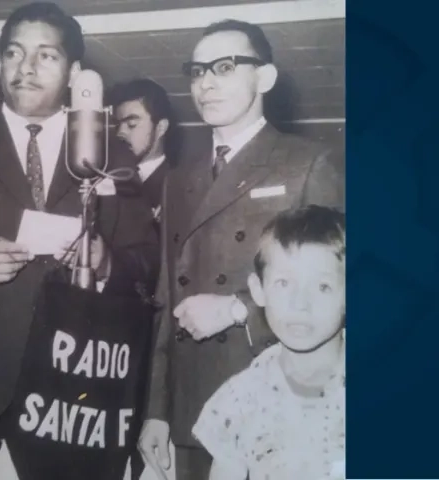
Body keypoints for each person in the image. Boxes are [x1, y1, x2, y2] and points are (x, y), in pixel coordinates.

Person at [0, 3, 158, 479]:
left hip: (73, 395)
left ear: (74, 72)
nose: (25, 68)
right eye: (13, 53)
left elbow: (149, 262)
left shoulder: (110, 152)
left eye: (46, 55)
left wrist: (107, 264)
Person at [138, 19, 345, 480]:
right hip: (192, 402)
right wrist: (157, 409)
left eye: (225, 67)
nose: (205, 83)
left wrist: (238, 310)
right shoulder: (178, 178)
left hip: (277, 396)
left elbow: (345, 284)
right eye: (197, 71)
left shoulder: (307, 163)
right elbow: (166, 301)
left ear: (265, 78)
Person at [191, 205, 346, 480]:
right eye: (284, 284)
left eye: (323, 286)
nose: (300, 304)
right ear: (258, 291)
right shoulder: (238, 400)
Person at [107, 78, 179, 212]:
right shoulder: (109, 178)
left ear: (161, 127)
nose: (120, 133)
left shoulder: (178, 185)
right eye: (118, 125)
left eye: (131, 124)